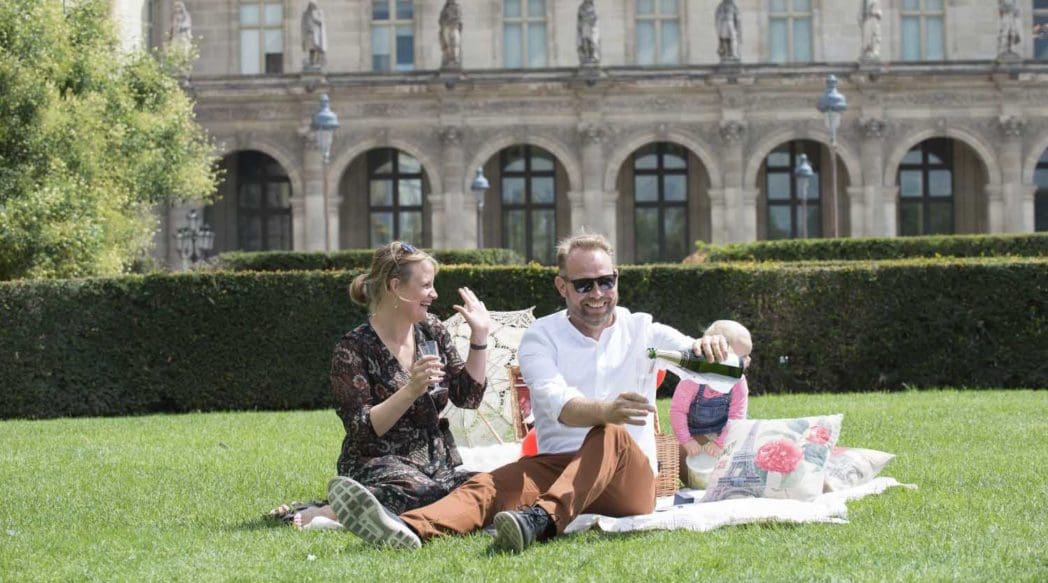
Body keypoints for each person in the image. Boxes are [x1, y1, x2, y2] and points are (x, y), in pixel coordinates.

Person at [326, 233, 732, 551]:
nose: (597, 294)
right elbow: (562, 408)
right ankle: (407, 529)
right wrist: (605, 407)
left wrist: (719, 348)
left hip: (626, 483)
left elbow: (722, 374)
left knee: (610, 434)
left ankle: (539, 520)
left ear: (616, 281)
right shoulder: (542, 337)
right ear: (562, 286)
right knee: (485, 486)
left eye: (606, 282)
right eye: (585, 285)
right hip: (556, 466)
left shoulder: (644, 330)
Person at [270, 241, 490, 529]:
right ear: (396, 286)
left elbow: (468, 397)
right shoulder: (353, 348)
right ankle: (332, 510)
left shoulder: (431, 330)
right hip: (377, 461)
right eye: (426, 285)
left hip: (435, 462)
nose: (434, 294)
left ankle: (345, 507)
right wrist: (412, 389)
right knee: (428, 492)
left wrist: (480, 337)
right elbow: (362, 431)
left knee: (487, 485)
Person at [669, 320, 752, 486]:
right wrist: (686, 440)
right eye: (742, 358)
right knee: (682, 457)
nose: (748, 361)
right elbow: (677, 411)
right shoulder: (692, 379)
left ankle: (729, 478)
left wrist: (721, 442)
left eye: (748, 356)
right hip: (693, 433)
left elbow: (736, 417)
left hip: (724, 433)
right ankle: (696, 481)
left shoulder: (738, 382)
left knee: (744, 448)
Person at [301, 1, 327, 68]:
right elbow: (303, 25)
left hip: (316, 34)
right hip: (309, 34)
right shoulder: (306, 14)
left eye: (313, 5)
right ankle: (311, 61)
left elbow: (321, 22)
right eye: (311, 5)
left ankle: (317, 61)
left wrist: (316, 18)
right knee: (311, 49)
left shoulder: (318, 13)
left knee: (317, 48)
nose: (312, 7)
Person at [439, 0, 463, 68]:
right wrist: (444, 24)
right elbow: (440, 20)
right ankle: (449, 60)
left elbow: (459, 18)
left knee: (455, 44)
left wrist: (454, 23)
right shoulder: (444, 9)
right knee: (447, 44)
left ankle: (455, 59)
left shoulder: (457, 7)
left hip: (454, 27)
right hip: (446, 27)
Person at [577, 0, 600, 66]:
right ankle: (586, 56)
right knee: (584, 41)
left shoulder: (593, 7)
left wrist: (590, 18)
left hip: (592, 28)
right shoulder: (581, 7)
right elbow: (580, 17)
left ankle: (592, 56)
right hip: (584, 27)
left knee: (592, 42)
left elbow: (595, 17)